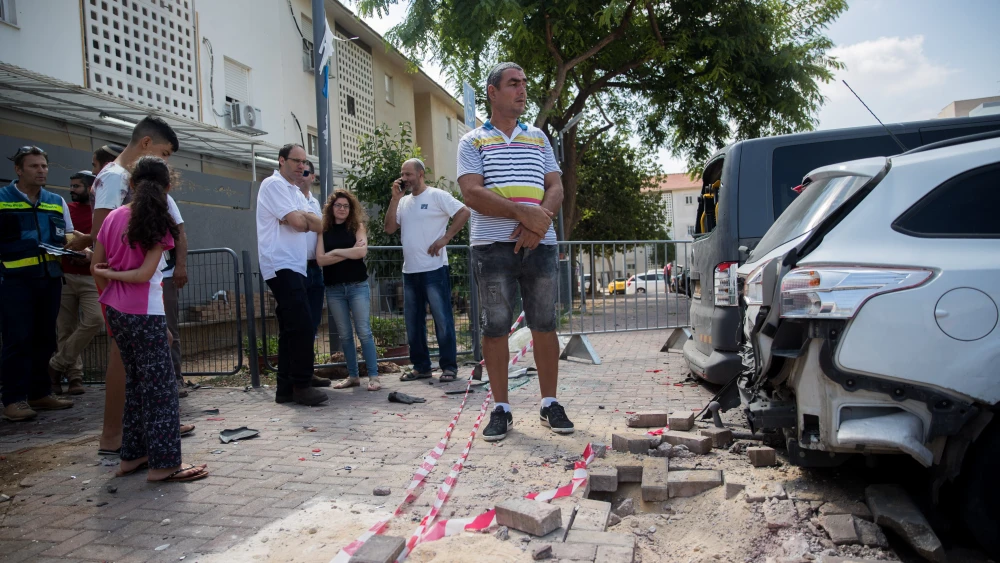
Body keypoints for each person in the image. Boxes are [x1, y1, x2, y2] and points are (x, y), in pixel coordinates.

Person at [457, 62, 573, 442]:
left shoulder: (539, 137)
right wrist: (520, 212)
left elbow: (554, 186)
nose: (522, 90)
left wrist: (538, 222)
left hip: (540, 245)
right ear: (492, 92)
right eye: (513, 84)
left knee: (544, 324)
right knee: (495, 328)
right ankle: (502, 408)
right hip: (491, 248)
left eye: (524, 83)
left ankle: (550, 402)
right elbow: (472, 192)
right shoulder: (472, 141)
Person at [91, 156, 208, 483]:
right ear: (167, 187)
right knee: (160, 391)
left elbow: (95, 268)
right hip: (145, 311)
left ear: (131, 185)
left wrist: (110, 287)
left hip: (118, 311)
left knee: (137, 385)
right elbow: (144, 275)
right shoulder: (156, 222)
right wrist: (119, 277)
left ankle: (133, 456)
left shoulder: (113, 217)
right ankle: (165, 465)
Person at [84, 117, 179, 455]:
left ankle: (139, 436)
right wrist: (111, 288)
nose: (166, 162)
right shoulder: (114, 179)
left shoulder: (129, 190)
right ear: (146, 144)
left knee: (141, 373)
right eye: (164, 154)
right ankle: (115, 435)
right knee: (134, 369)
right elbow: (101, 244)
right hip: (129, 295)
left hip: (131, 291)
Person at [0, 146, 76, 421]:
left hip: (49, 279)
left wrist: (82, 247)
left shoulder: (55, 201)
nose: (41, 171)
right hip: (14, 281)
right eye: (34, 166)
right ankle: (13, 399)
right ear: (19, 170)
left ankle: (39, 393)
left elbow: (67, 235)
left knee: (45, 339)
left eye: (44, 166)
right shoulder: (2, 199)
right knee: (17, 339)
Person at [384, 158, 470, 383]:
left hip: (434, 268)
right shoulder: (402, 201)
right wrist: (394, 200)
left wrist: (446, 238)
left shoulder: (437, 195)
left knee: (442, 319)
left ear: (421, 174)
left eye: (409, 174)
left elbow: (463, 211)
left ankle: (449, 366)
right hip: (410, 270)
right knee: (413, 322)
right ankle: (421, 367)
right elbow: (389, 228)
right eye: (403, 174)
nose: (404, 178)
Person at [256, 143, 327, 406]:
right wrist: (300, 219)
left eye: (304, 161)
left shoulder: (296, 193)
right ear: (281, 161)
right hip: (280, 263)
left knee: (290, 326)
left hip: (295, 266)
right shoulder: (273, 185)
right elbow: (300, 224)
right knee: (301, 324)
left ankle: (285, 388)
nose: (301, 166)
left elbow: (319, 224)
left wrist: (301, 218)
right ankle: (302, 384)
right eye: (296, 161)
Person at [316, 189, 380, 391]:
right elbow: (320, 259)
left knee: (364, 332)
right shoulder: (322, 229)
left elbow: (361, 252)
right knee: (344, 335)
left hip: (357, 286)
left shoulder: (357, 226)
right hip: (334, 288)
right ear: (331, 208)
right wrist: (348, 252)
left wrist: (334, 252)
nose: (342, 209)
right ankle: (353, 376)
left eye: (346, 206)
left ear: (351, 209)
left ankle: (374, 376)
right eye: (338, 205)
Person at [49, 170, 102, 396]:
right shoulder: (65, 210)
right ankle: (74, 378)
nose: (72, 190)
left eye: (77, 186)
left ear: (90, 188)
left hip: (91, 277)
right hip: (66, 276)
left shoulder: (100, 212)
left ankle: (55, 365)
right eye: (71, 186)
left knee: (94, 319)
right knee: (65, 328)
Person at [161, 193, 188, 396]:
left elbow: (179, 233)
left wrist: (180, 266)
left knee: (170, 328)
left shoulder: (166, 199)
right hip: (135, 278)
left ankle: (175, 378)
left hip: (165, 274)